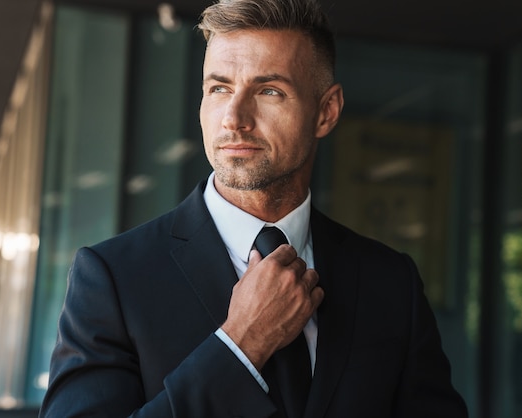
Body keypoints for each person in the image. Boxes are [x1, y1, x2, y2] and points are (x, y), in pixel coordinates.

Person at [39, 0, 468, 416]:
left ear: (326, 111)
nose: (234, 117)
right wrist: (240, 347)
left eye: (268, 90)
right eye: (219, 88)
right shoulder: (113, 278)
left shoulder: (392, 282)